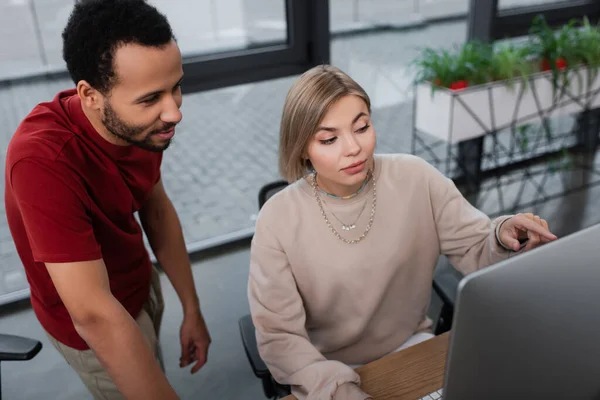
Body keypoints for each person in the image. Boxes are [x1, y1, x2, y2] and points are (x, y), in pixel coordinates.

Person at [247, 64, 558, 400]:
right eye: (329, 138)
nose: (353, 147)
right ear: (301, 147)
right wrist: (338, 389)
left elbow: (475, 246)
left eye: (362, 127)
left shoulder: (415, 177)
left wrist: (501, 235)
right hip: (327, 372)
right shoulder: (277, 219)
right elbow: (280, 337)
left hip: (412, 348)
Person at [4, 1, 210, 399]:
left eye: (176, 87)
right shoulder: (41, 163)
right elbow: (94, 315)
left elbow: (156, 209)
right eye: (151, 99)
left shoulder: (142, 127)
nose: (174, 113)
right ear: (90, 95)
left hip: (139, 283)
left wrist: (192, 307)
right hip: (92, 323)